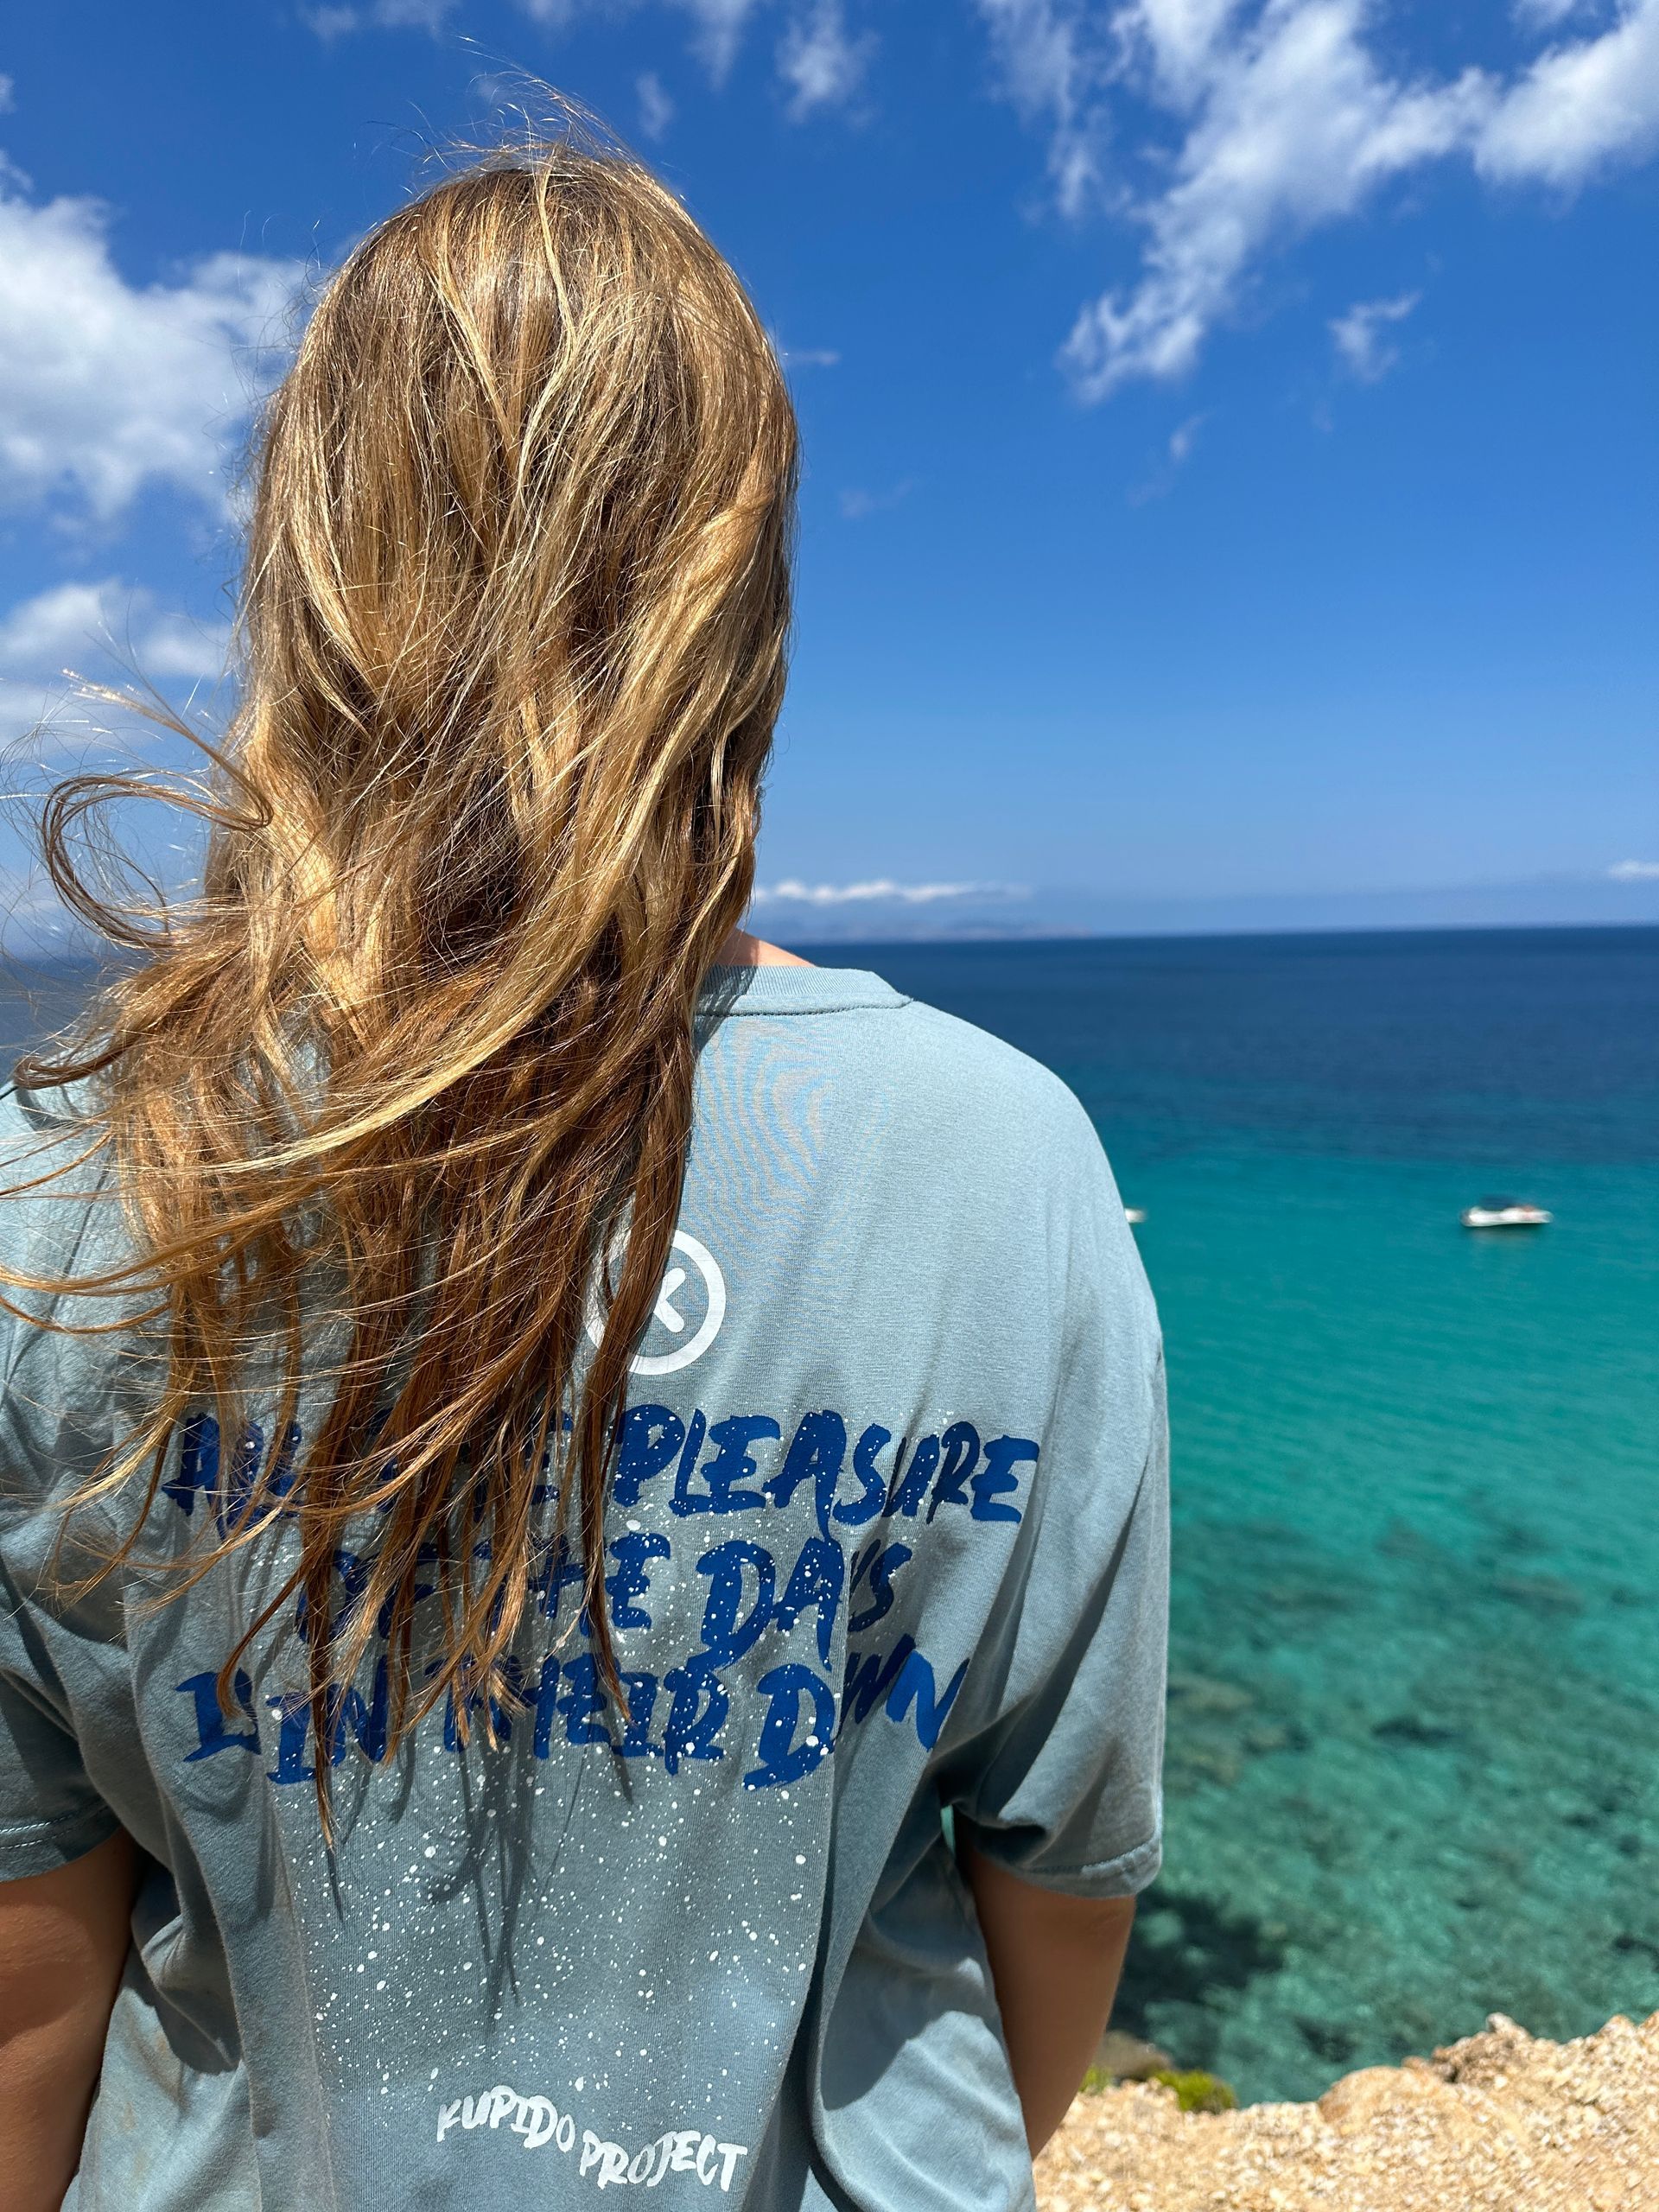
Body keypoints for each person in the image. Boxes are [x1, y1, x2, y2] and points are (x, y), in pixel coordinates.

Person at [0, 136, 1167, 2211]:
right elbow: (1055, 1891)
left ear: (309, 568)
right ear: (747, 607)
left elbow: (30, 1980)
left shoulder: (70, 1185)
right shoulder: (1011, 1167)